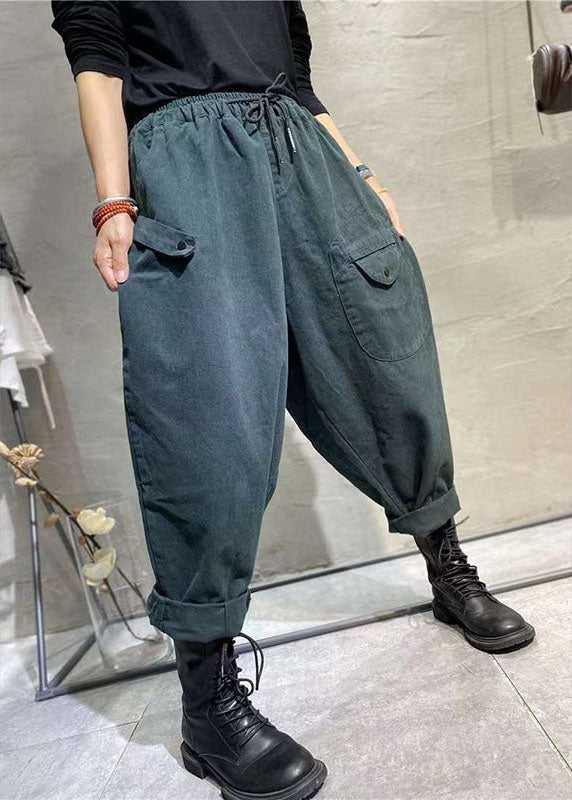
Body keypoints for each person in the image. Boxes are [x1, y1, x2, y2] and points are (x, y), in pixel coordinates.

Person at [51, 2, 535, 798]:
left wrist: (363, 174)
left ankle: (447, 568)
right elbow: (96, 64)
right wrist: (114, 201)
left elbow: (301, 84)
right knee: (206, 420)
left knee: (387, 368)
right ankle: (207, 704)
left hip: (306, 159)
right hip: (187, 166)